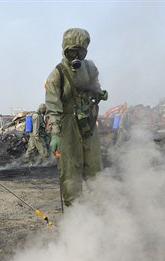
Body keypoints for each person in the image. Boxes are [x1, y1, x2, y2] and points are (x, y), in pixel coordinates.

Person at [44, 28, 108, 207]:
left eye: (80, 51)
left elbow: (94, 85)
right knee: (71, 170)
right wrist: (55, 133)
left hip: (88, 124)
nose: (76, 56)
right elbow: (53, 106)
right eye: (72, 51)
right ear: (65, 49)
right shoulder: (57, 74)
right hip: (67, 126)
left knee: (95, 168)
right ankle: (76, 216)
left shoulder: (90, 68)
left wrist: (99, 92)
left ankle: (98, 212)